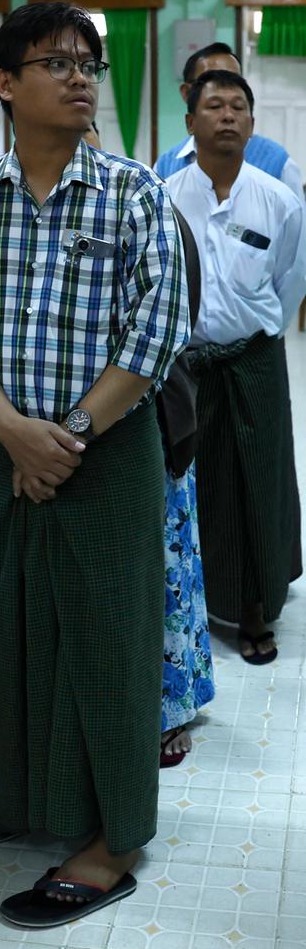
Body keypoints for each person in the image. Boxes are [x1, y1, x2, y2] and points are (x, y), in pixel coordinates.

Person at [0, 2, 188, 928]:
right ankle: (38, 800)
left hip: (108, 454)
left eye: (90, 64)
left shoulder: (134, 192)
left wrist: (64, 434)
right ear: (4, 83)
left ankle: (112, 842)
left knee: (106, 638)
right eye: (56, 62)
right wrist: (11, 433)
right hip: (8, 453)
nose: (80, 77)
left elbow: (156, 333)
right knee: (16, 625)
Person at [83, 123, 214, 767]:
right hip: (76, 434)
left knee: (165, 563)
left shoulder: (147, 205)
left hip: (151, 419)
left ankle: (172, 708)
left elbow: (172, 324)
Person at [166, 69, 306, 664]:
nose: (228, 115)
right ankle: (197, 599)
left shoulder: (279, 201)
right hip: (188, 365)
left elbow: (290, 282)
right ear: (191, 121)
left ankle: (255, 607)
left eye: (239, 107)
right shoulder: (165, 196)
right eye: (215, 105)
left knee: (258, 480)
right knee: (194, 481)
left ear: (252, 123)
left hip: (254, 363)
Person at [154, 42, 304, 199]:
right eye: (209, 80)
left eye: (233, 81)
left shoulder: (278, 164)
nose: (224, 88)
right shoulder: (166, 166)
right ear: (187, 93)